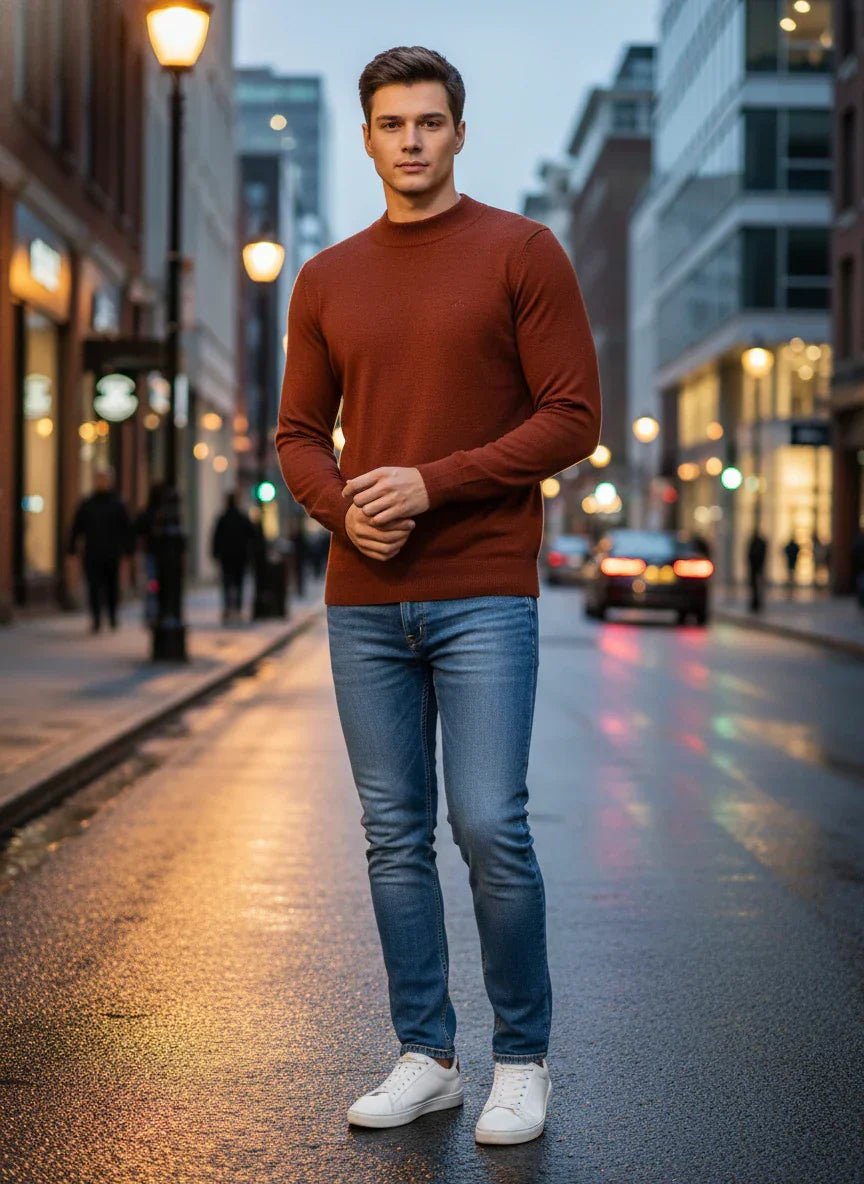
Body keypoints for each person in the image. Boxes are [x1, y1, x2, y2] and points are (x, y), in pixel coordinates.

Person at [275, 46, 601, 1146]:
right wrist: (340, 507)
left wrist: (430, 480)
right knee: (391, 831)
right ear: (366, 137)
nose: (410, 139)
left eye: (429, 121)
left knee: (489, 822)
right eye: (390, 123)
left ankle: (522, 1057)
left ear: (460, 132)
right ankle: (427, 1053)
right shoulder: (325, 278)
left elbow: (570, 416)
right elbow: (295, 434)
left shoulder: (523, 251)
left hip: (482, 589)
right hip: (363, 598)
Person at [67, 465, 132, 632]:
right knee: (94, 586)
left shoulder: (117, 504)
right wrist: (72, 549)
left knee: (112, 586)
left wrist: (127, 552)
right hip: (92, 552)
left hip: (112, 553)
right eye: (99, 479)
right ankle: (96, 619)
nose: (101, 482)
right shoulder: (87, 504)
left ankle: (112, 616)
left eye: (104, 479)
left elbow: (126, 529)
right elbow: (77, 527)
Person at [211, 491, 255, 623]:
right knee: (239, 583)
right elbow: (252, 535)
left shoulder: (222, 518)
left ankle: (227, 608)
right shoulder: (242, 518)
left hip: (226, 557)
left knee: (227, 583)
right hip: (240, 557)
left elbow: (216, 538)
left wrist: (215, 553)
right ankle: (237, 609)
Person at [747, 528, 768, 613]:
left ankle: (757, 603)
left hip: (757, 567)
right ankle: (755, 603)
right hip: (755, 567)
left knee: (757, 585)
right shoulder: (754, 542)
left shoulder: (757, 543)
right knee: (755, 586)